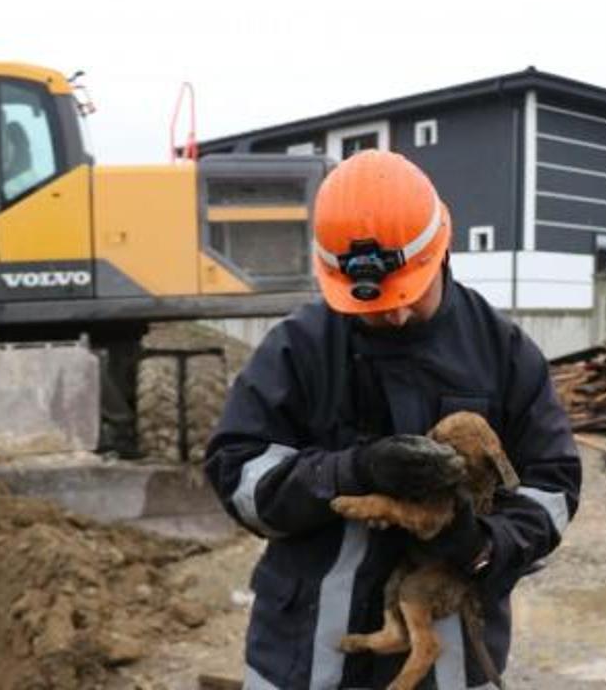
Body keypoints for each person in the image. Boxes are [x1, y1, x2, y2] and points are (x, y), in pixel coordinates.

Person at [206, 150, 581, 690]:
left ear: (441, 249)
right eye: (373, 303)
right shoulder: (300, 347)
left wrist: (481, 546)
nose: (394, 314)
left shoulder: (503, 353)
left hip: (446, 669)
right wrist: (352, 471)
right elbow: (237, 476)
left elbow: (552, 487)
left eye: (408, 293)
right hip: (303, 663)